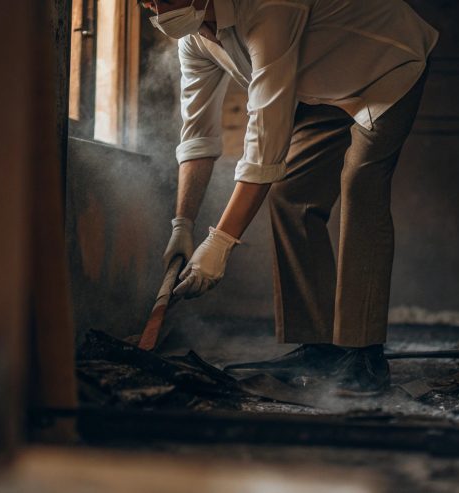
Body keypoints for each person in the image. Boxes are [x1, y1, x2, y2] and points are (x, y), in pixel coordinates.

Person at [143, 0, 438, 392]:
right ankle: (319, 347)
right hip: (320, 85)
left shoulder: (266, 7)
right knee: (289, 194)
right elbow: (197, 137)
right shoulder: (194, 39)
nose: (150, 3)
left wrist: (220, 243)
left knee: (360, 184)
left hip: (386, 66)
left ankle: (363, 357)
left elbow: (266, 137)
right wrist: (183, 225)